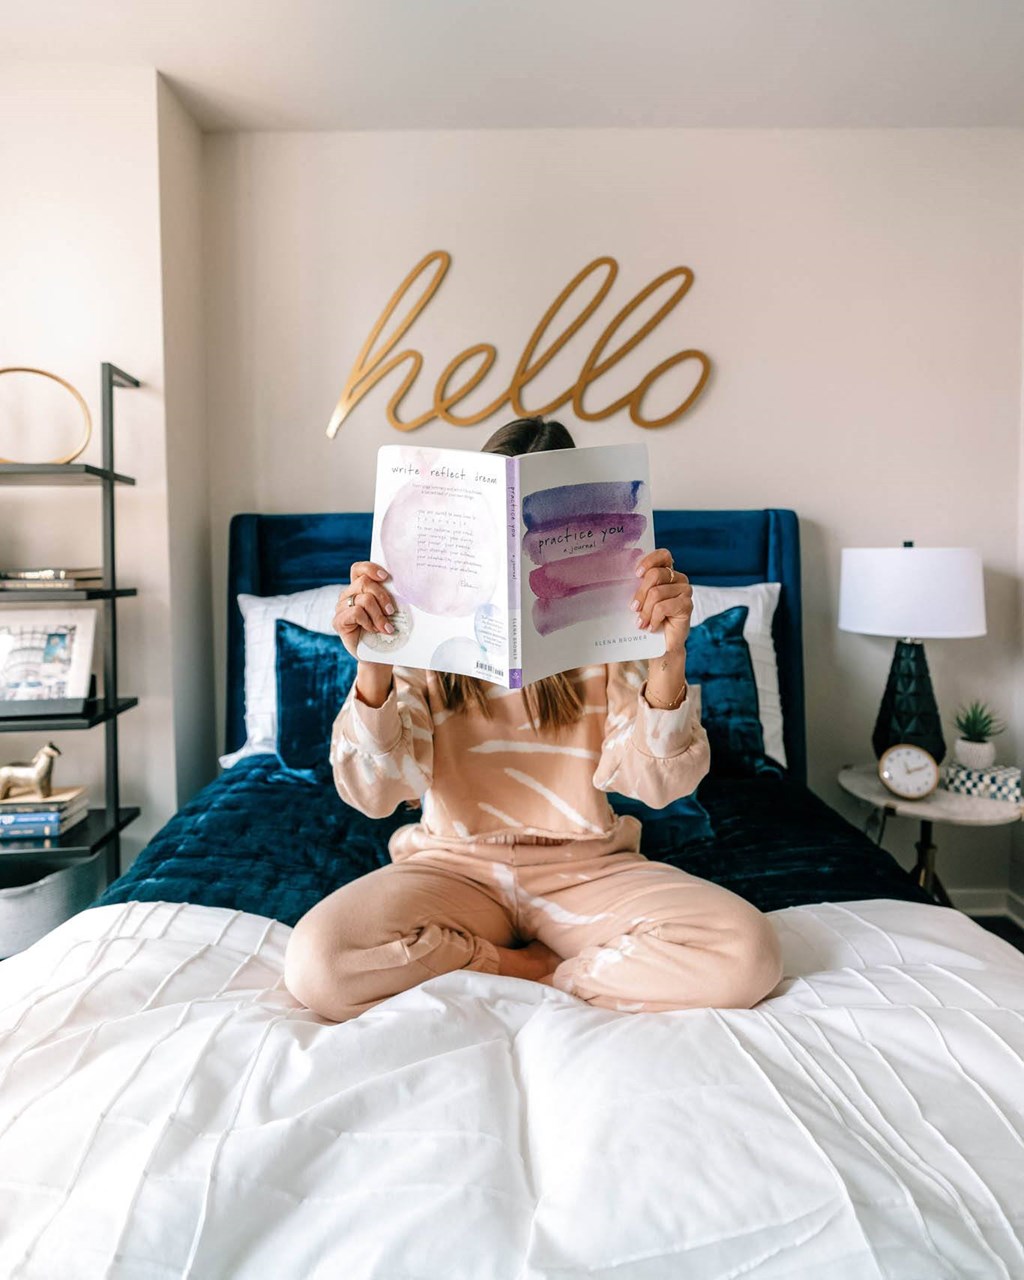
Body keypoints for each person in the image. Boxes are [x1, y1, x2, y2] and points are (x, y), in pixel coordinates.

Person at [284, 418, 783, 1021]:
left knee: (749, 953)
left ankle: (542, 971)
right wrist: (374, 664)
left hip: (588, 868)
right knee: (318, 962)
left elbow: (660, 786)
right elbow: (375, 793)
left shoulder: (614, 628)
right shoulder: (428, 629)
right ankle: (527, 968)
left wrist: (668, 656)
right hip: (453, 866)